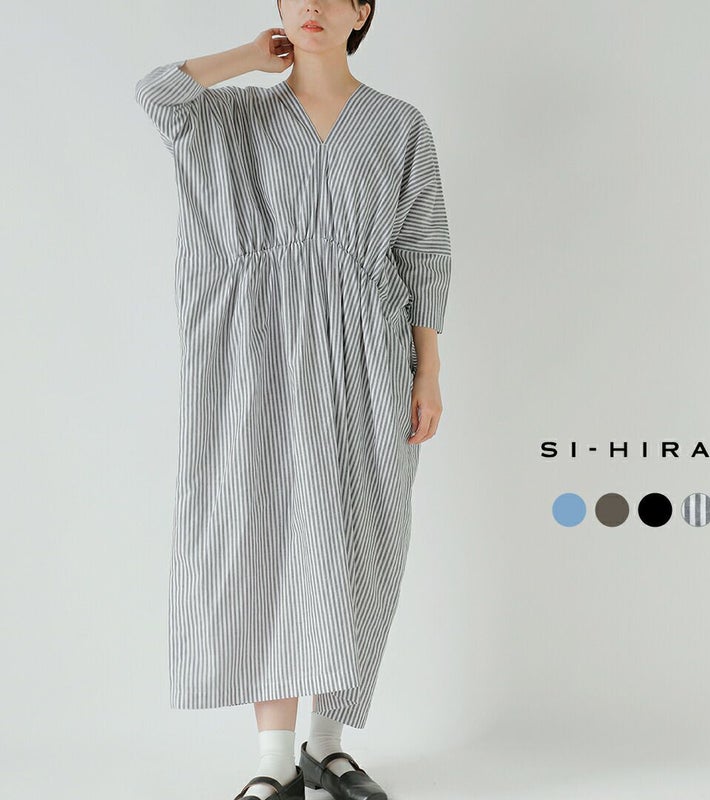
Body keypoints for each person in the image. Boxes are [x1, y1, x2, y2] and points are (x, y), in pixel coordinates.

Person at [134, 1, 452, 798]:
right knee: (266, 536)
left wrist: (427, 372)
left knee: (364, 536)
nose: (312, 5)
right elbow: (157, 92)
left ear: (362, 11)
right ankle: (274, 761)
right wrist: (249, 56)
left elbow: (423, 250)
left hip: (367, 355)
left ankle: (327, 747)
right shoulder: (232, 118)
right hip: (256, 354)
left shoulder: (399, 126)